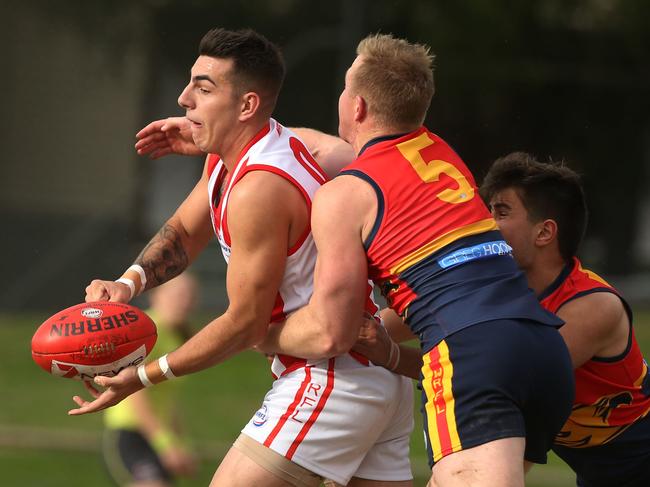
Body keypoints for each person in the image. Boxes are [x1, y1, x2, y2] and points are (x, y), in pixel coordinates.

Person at [69, 28, 414, 487]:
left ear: (247, 106)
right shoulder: (242, 152)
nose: (184, 97)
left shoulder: (259, 187)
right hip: (374, 379)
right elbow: (184, 232)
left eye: (204, 87)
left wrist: (145, 376)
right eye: (191, 82)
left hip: (330, 379)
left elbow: (245, 325)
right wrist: (126, 284)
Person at [250, 33, 576, 487]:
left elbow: (330, 331)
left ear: (358, 107)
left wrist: (257, 332)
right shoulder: (440, 152)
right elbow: (324, 147)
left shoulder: (344, 195)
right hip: (542, 350)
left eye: (346, 88)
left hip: (473, 356)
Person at [479, 152, 650, 487]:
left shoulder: (592, 306)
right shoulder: (501, 290)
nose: (486, 224)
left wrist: (393, 355)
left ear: (544, 233)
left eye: (501, 212)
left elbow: (505, 380)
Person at [103, 273, 198, 487]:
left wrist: (181, 444)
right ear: (157, 296)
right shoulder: (145, 329)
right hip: (132, 432)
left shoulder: (175, 336)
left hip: (157, 435)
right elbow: (135, 391)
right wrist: (165, 444)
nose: (184, 301)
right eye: (178, 294)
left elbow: (169, 400)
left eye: (190, 296)